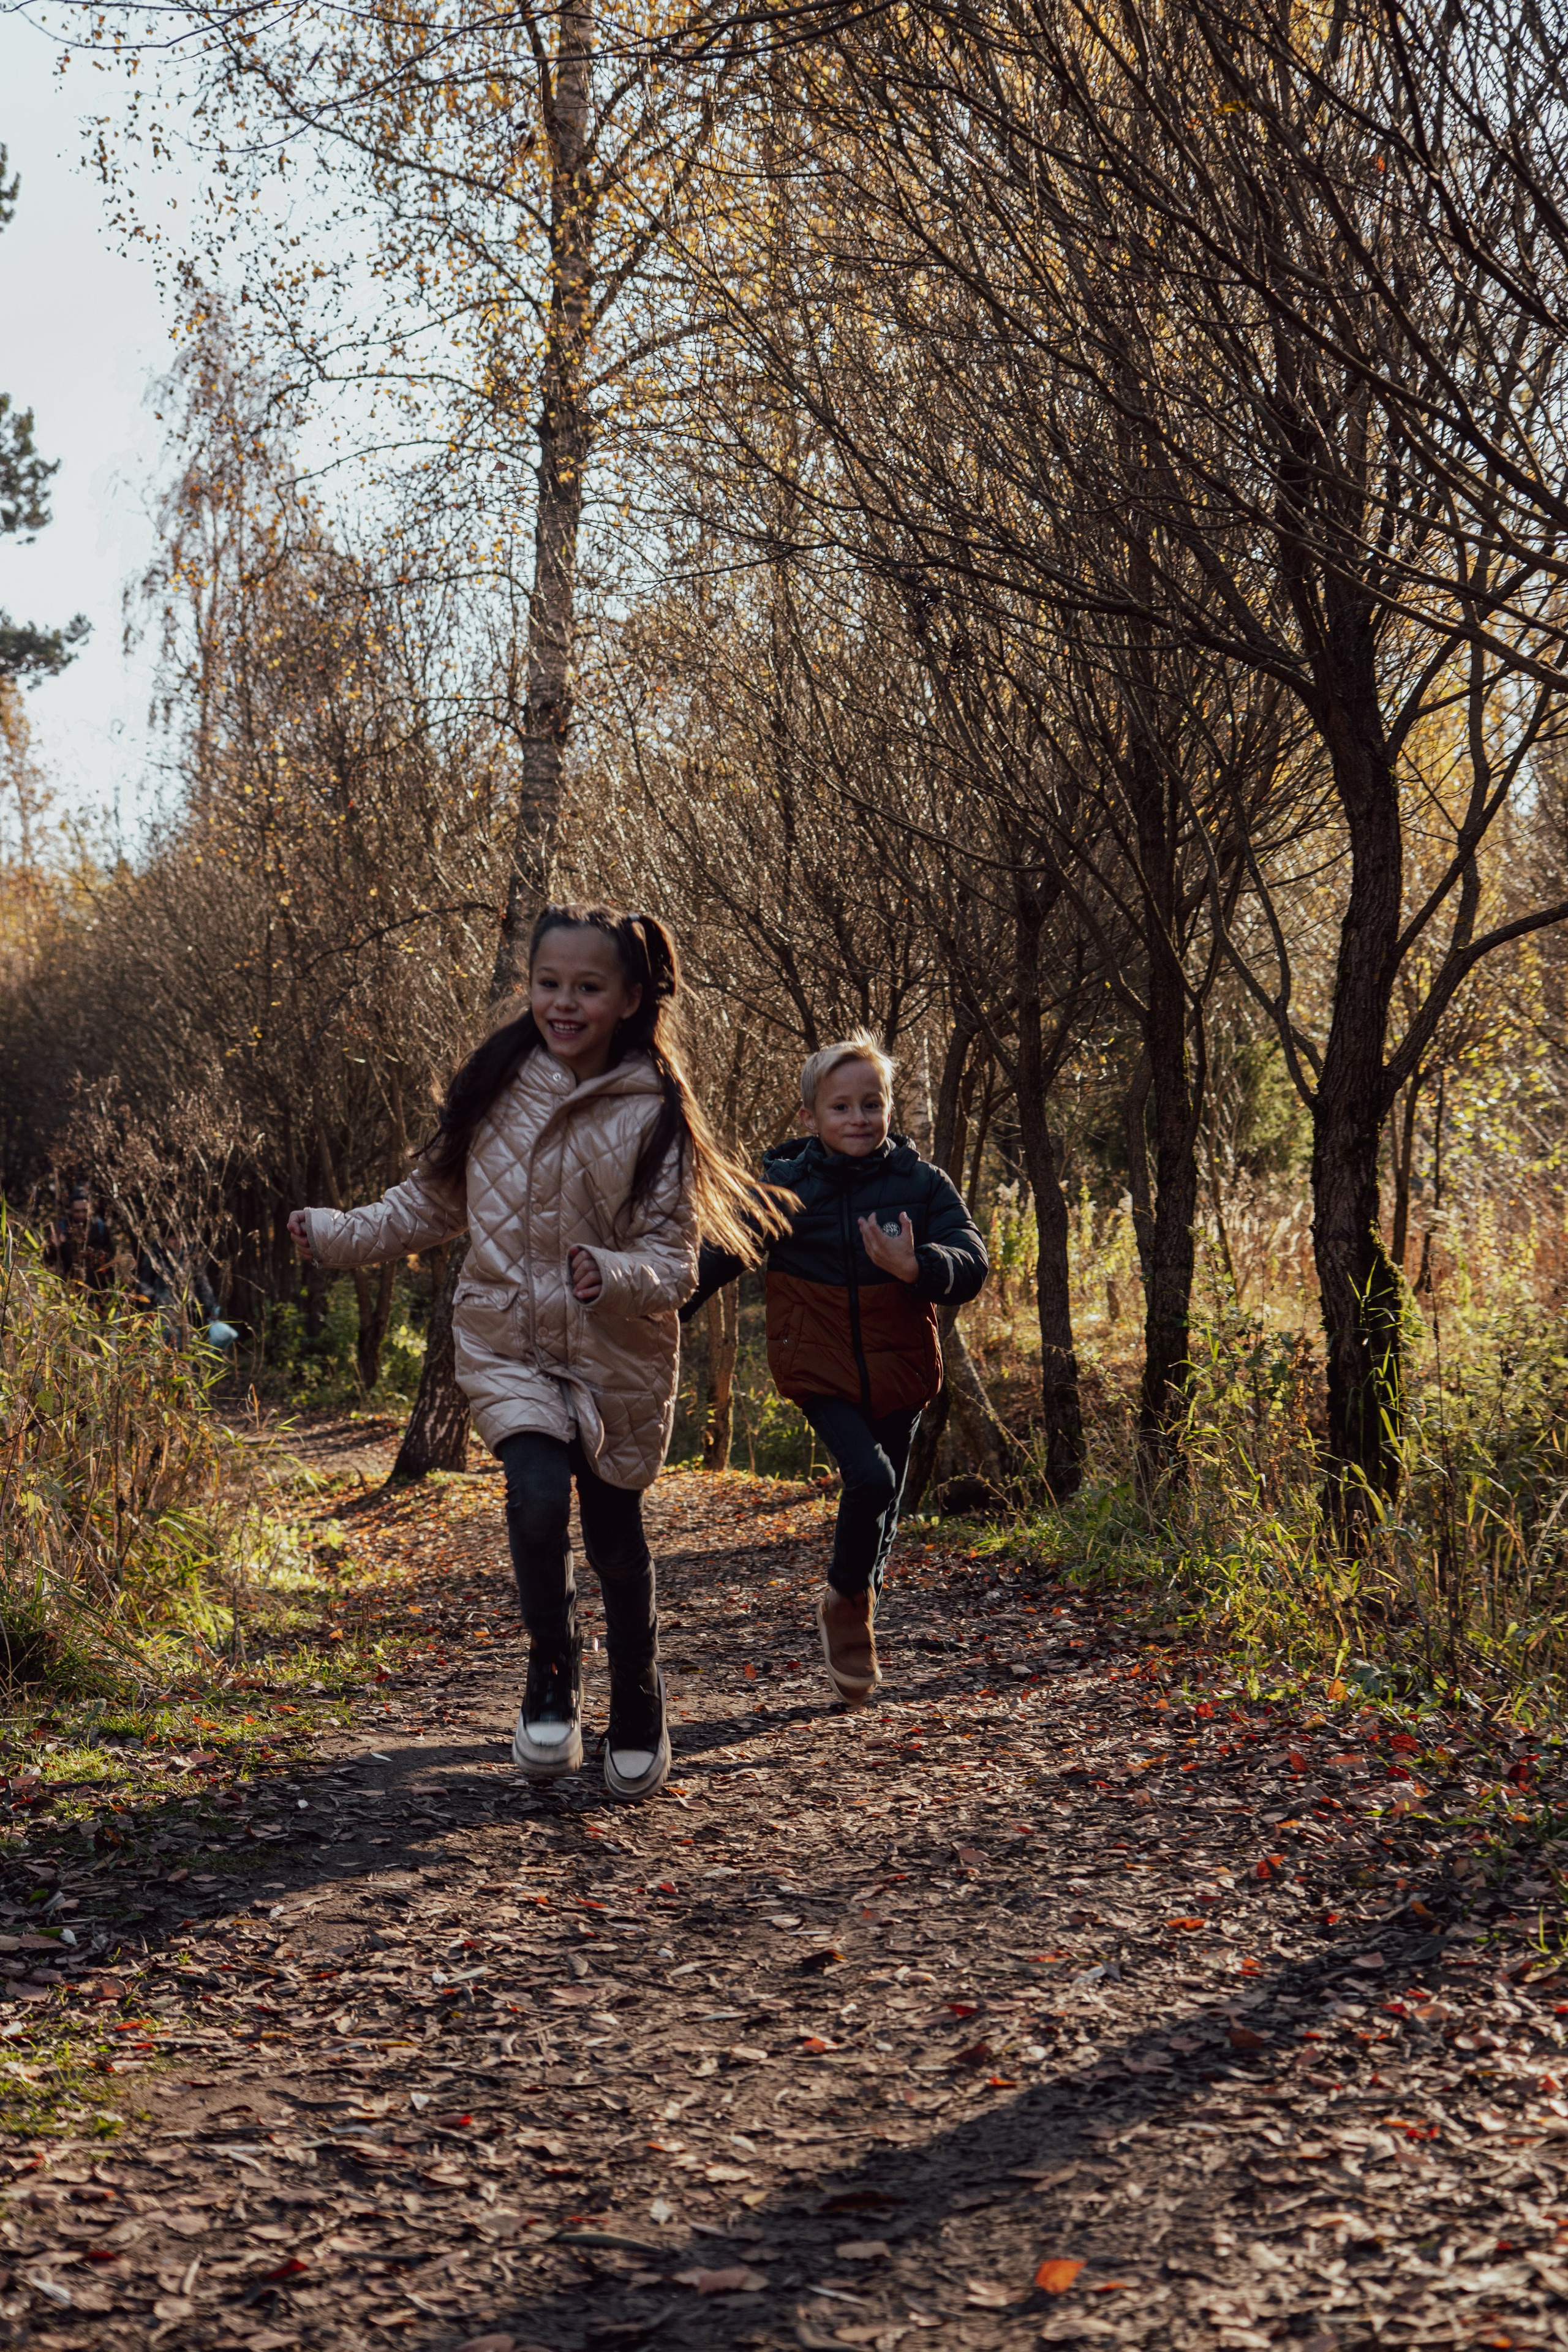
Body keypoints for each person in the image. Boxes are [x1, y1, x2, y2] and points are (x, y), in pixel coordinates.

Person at [288, 905, 785, 1801]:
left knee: (616, 1540)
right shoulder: (495, 1083)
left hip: (614, 1354)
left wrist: (615, 1274)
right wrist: (334, 1234)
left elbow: (674, 1262)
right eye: (548, 983)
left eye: (587, 988)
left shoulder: (657, 1113)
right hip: (509, 1339)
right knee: (533, 1497)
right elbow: (428, 1204)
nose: (563, 1003)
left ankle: (637, 1692)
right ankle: (550, 1674)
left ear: (631, 998)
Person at [683, 1031, 988, 1706]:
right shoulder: (785, 1191)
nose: (858, 1119)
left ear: (887, 1110)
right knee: (870, 1479)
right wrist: (650, 1311)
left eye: (870, 1105)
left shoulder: (919, 1184)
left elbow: (972, 1259)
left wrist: (916, 1267)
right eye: (841, 1108)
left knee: (883, 1504)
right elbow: (713, 1258)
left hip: (901, 1367)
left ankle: (857, 1598)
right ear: (810, 1119)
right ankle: (847, 1606)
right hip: (817, 1364)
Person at [43, 1191, 116, 1309]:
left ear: (90, 1210)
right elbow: (48, 1260)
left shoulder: (99, 1227)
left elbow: (111, 1258)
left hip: (96, 1289)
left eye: (84, 1211)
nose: (81, 1215)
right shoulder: (62, 1228)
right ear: (71, 1210)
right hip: (70, 1288)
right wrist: (54, 1246)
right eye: (77, 1211)